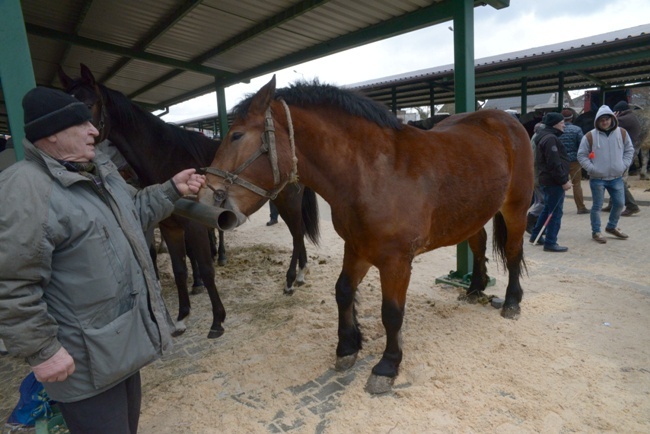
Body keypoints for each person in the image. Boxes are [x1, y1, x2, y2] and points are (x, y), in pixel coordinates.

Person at [0, 87, 206, 433]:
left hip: (120, 347)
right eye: (82, 123)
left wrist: (171, 188)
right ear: (52, 133)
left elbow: (135, 211)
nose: (95, 130)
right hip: (82, 363)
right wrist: (43, 351)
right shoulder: (26, 190)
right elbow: (12, 283)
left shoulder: (97, 172)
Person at [577, 105, 634, 244]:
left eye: (607, 119)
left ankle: (611, 226)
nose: (604, 122)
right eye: (601, 120)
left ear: (612, 119)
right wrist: (592, 168)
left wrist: (624, 165)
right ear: (597, 121)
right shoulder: (590, 136)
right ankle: (596, 231)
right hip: (598, 178)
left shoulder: (622, 133)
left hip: (616, 177)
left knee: (620, 204)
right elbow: (582, 155)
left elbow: (629, 150)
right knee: (597, 206)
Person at [529, 112, 572, 252]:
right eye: (562, 122)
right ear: (554, 124)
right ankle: (551, 242)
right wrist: (564, 181)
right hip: (553, 182)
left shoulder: (544, 136)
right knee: (555, 212)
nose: (564, 124)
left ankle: (536, 235)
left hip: (547, 180)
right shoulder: (550, 139)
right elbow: (553, 163)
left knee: (547, 208)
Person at [609, 100, 641, 216]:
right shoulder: (631, 117)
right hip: (627, 152)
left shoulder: (624, 119)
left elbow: (608, 125)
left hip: (624, 154)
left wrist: (613, 117)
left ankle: (632, 205)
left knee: (618, 179)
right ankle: (612, 204)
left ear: (618, 111)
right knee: (614, 177)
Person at [559, 108, 588, 214]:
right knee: (577, 184)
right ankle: (581, 207)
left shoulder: (558, 129)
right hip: (575, 161)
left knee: (561, 184)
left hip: (561, 161)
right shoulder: (577, 129)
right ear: (572, 118)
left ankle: (559, 208)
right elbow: (583, 144)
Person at [526, 122, 544, 234]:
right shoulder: (539, 140)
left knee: (539, 200)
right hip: (538, 174)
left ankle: (536, 224)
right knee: (543, 202)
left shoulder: (534, 138)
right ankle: (530, 220)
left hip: (535, 174)